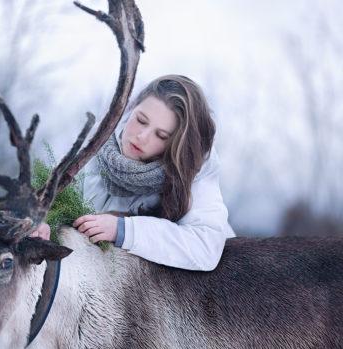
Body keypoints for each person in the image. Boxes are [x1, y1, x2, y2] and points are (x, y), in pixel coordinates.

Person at [30, 75, 235, 271]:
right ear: (131, 109)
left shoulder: (194, 172)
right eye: (141, 120)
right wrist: (44, 224)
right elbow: (54, 203)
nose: (142, 136)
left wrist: (124, 230)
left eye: (162, 135)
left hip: (203, 296)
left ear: (178, 144)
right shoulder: (95, 144)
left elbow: (206, 247)